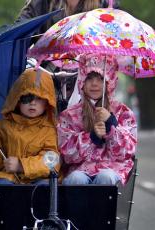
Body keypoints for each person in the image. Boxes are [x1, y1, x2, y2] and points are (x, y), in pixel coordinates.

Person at [57, 53, 137, 185]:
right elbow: (66, 155)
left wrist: (111, 124)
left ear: (110, 81)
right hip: (79, 169)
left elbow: (127, 152)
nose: (94, 84)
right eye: (89, 78)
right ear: (82, 80)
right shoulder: (69, 115)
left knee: (105, 177)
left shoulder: (123, 112)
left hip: (112, 169)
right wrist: (92, 137)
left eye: (100, 78)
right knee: (76, 179)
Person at [0, 68, 60, 184]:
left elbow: (52, 161)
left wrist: (21, 165)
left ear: (47, 103)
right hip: (10, 178)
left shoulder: (51, 129)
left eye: (39, 98)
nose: (32, 103)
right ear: (17, 100)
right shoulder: (2, 127)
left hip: (38, 180)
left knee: (45, 188)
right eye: (27, 97)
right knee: (3, 184)